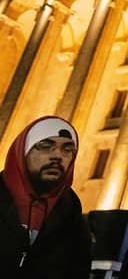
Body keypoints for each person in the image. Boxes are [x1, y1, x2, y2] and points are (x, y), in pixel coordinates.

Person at [0, 115, 91, 278]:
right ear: (23, 151)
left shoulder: (73, 219)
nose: (57, 155)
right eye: (45, 145)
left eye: (68, 149)